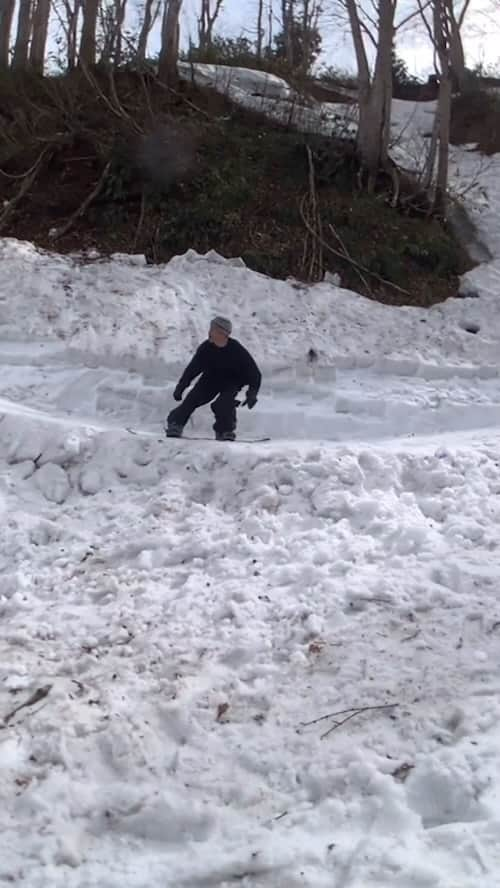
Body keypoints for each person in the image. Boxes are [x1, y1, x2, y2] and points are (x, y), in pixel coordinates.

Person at [166, 316, 262, 441]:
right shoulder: (205, 349)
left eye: (213, 330)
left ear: (224, 333)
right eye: (211, 330)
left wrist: (252, 393)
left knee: (224, 403)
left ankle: (225, 430)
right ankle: (175, 424)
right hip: (209, 381)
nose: (210, 332)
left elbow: (254, 373)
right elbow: (191, 370)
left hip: (231, 382)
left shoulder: (237, 350)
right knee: (191, 400)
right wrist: (181, 387)